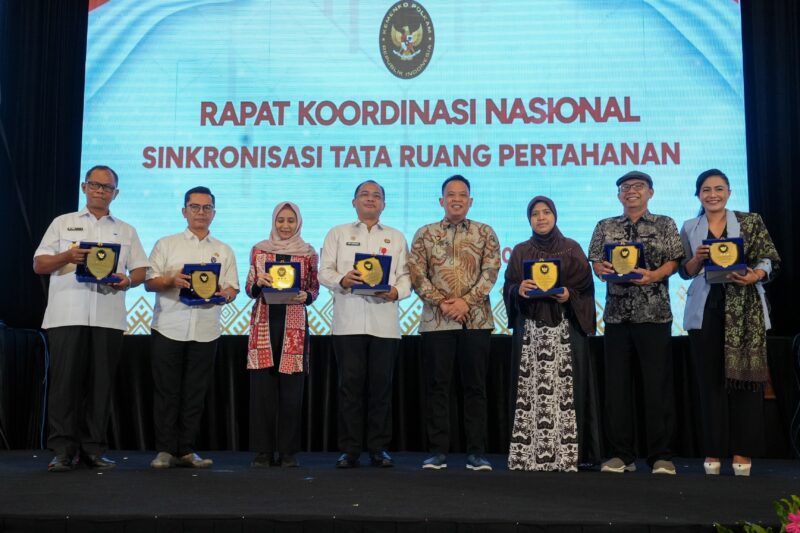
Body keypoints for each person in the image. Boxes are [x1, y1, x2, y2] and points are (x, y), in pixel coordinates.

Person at [33, 165, 149, 472]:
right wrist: (67, 257)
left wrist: (127, 280)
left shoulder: (126, 230)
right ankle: (61, 450)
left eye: (107, 187)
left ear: (116, 193)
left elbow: (141, 270)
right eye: (95, 185)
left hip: (108, 317)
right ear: (84, 187)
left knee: (101, 386)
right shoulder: (63, 223)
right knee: (64, 385)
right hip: (66, 315)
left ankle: (93, 450)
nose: (100, 191)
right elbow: (40, 263)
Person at [679, 169, 780, 476]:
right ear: (698, 195)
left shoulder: (751, 221)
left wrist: (755, 275)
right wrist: (696, 259)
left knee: (746, 383)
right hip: (706, 307)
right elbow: (684, 271)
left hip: (744, 309)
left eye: (719, 188)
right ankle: (713, 451)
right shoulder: (689, 227)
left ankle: (742, 452)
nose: (713, 194)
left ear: (729, 192)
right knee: (710, 384)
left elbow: (769, 259)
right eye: (706, 190)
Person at [588, 170, 683, 475]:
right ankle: (622, 455)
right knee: (617, 389)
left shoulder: (665, 223)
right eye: (625, 187)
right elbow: (597, 263)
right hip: (616, 316)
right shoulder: (606, 226)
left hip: (654, 314)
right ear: (618, 195)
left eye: (638, 186)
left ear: (650, 193)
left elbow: (675, 260)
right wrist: (602, 269)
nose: (631, 191)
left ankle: (661, 456)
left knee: (657, 387)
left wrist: (655, 275)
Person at [408, 174, 500, 471]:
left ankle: (476, 452)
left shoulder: (485, 232)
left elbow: (491, 271)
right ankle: (438, 452)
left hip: (476, 321)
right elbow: (417, 275)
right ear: (442, 200)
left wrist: (465, 303)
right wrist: (443, 303)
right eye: (451, 194)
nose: (456, 199)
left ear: (470, 201)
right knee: (438, 387)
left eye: (462, 195)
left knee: (475, 387)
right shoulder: (425, 233)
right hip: (437, 322)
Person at [145, 186, 239, 469]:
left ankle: (186, 449)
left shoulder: (223, 250)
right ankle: (164, 450)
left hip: (206, 329)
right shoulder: (166, 243)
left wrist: (227, 294)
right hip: (168, 326)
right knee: (167, 391)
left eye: (207, 207)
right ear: (184, 211)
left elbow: (233, 287)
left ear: (214, 213)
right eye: (195, 207)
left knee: (195, 392)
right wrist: (171, 280)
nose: (201, 212)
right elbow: (150, 282)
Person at [318, 180, 411, 468]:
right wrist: (342, 280)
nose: (370, 200)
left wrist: (396, 291)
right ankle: (350, 449)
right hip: (348, 324)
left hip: (385, 324)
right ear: (354, 202)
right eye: (364, 195)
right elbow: (324, 271)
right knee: (350, 388)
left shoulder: (395, 237)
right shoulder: (338, 233)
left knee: (381, 388)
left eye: (376, 196)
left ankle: (379, 448)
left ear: (384, 204)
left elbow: (406, 275)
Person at [502, 196, 597, 472]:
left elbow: (586, 290)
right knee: (530, 394)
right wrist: (517, 290)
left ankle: (567, 456)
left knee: (566, 394)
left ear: (554, 215)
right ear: (529, 219)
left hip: (565, 333)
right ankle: (527, 455)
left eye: (545, 212)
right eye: (534, 214)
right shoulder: (520, 251)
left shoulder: (572, 249)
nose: (541, 218)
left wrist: (569, 294)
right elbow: (508, 285)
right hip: (531, 334)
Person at [246, 201, 319, 468]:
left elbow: (314, 288)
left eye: (290, 221)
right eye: (280, 220)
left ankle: (288, 452)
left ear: (298, 223)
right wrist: (258, 283)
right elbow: (249, 287)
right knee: (262, 391)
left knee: (291, 392)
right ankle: (263, 452)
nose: (285, 226)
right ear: (273, 222)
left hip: (295, 325)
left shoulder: (308, 253)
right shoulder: (259, 250)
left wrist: (306, 296)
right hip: (264, 321)